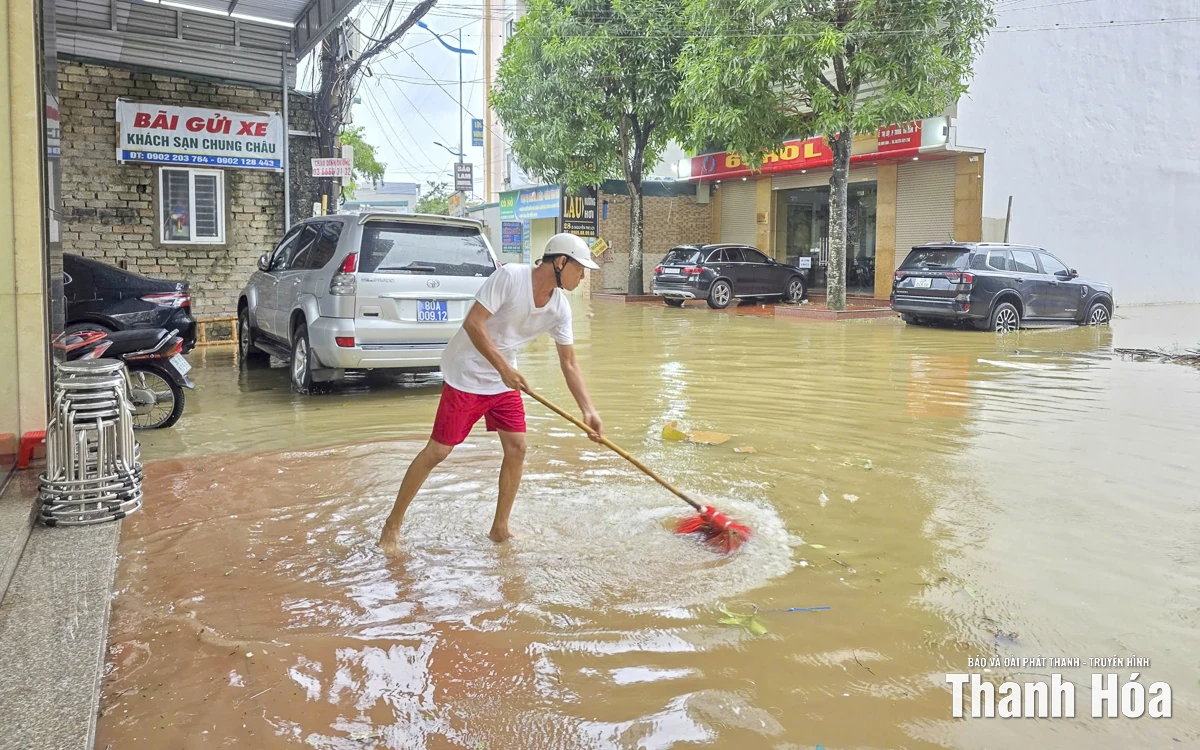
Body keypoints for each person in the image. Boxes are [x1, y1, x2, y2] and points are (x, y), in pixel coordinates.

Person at [379, 233, 603, 554]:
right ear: (561, 262)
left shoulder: (559, 308)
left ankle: (500, 529)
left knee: (518, 447)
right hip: (466, 374)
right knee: (438, 452)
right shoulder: (511, 277)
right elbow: (473, 323)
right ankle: (393, 524)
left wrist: (588, 411)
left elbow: (569, 362)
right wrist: (503, 368)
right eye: (580, 269)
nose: (583, 277)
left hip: (503, 382)